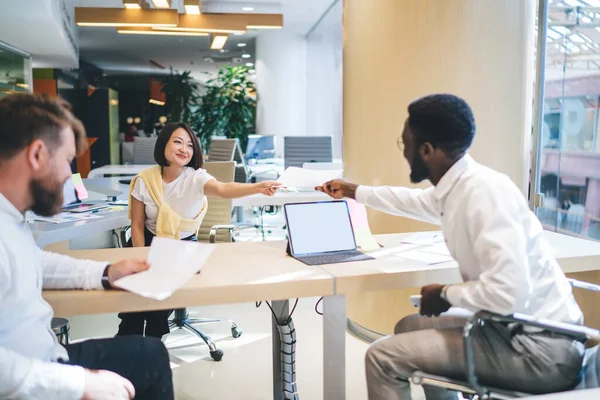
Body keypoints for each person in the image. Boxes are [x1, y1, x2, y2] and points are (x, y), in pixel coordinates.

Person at [316, 94, 585, 400]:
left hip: (539, 350)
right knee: (408, 326)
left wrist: (445, 294)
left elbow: (508, 294)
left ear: (426, 150)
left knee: (382, 357)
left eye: (404, 143)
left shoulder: (482, 194)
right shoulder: (461, 185)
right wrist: (353, 190)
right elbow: (412, 202)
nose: (403, 151)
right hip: (511, 328)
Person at [0, 93, 173, 399]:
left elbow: (36, 262)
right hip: (26, 379)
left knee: (150, 354)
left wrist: (106, 272)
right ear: (37, 154)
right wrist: (78, 384)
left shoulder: (11, 218)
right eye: (67, 160)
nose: (70, 174)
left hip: (44, 359)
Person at [116, 122, 279, 338]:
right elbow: (136, 225)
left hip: (181, 247)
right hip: (145, 242)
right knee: (133, 309)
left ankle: (152, 348)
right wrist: (142, 258)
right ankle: (127, 348)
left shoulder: (196, 177)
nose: (184, 149)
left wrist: (257, 187)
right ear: (163, 144)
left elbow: (223, 189)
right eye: (178, 142)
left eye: (190, 145)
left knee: (156, 308)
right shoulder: (145, 180)